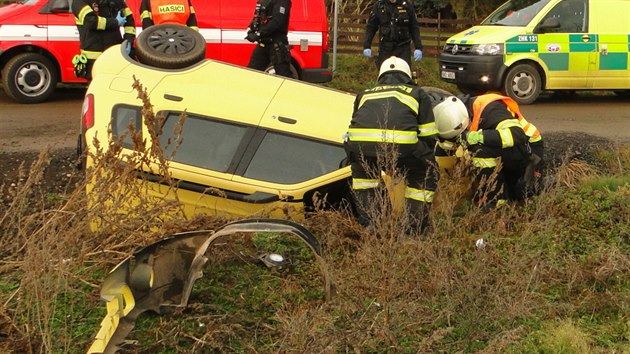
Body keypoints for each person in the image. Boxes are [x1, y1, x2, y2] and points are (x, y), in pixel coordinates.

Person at [345, 56, 439, 235]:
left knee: (364, 179)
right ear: (408, 75)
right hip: (402, 147)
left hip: (360, 148)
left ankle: (372, 225)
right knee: (426, 174)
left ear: (380, 75)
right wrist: (417, 160)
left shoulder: (364, 93)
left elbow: (354, 124)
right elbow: (428, 136)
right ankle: (412, 230)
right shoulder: (417, 93)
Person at [432, 93, 544, 209]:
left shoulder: (491, 109)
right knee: (475, 151)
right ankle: (496, 191)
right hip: (505, 148)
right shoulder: (451, 118)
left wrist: (476, 137)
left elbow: (517, 135)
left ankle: (494, 199)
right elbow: (444, 153)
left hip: (528, 146)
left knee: (479, 150)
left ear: (464, 122)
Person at [71, 0, 136, 81]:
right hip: (93, 59)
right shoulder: (80, 2)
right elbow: (91, 22)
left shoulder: (117, 1)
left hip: (115, 56)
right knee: (96, 89)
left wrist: (128, 41)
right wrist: (115, 22)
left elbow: (129, 22)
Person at [362, 0, 423, 68]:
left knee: (404, 75)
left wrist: (418, 48)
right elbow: (371, 27)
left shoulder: (407, 6)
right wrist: (367, 46)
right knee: (385, 76)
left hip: (403, 49)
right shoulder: (379, 6)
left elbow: (414, 27)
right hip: (385, 49)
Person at [245, 0, 292, 78]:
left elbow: (277, 22)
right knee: (252, 74)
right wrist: (251, 28)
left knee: (284, 76)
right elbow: (258, 17)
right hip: (263, 43)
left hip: (277, 45)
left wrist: (258, 34)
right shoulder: (263, 1)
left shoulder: (282, 1)